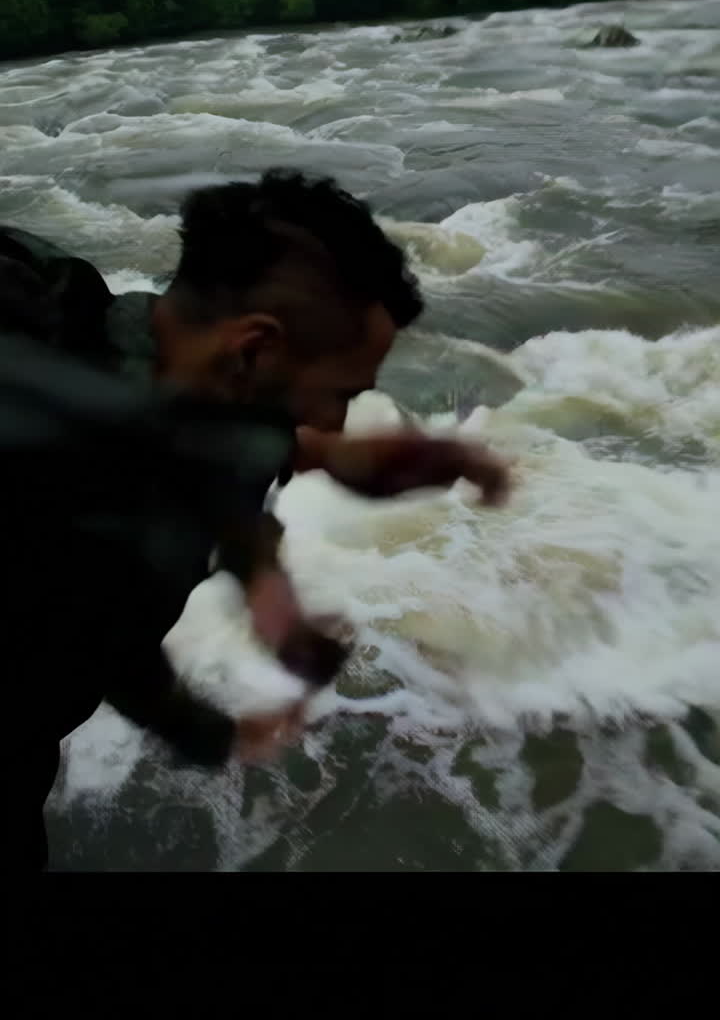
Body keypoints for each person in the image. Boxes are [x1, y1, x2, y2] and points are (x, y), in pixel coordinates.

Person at [2, 169, 510, 871]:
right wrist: (218, 734)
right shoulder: (98, 502)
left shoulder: (66, 302)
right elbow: (105, 637)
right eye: (340, 394)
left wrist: (319, 451)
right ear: (251, 349)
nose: (338, 416)